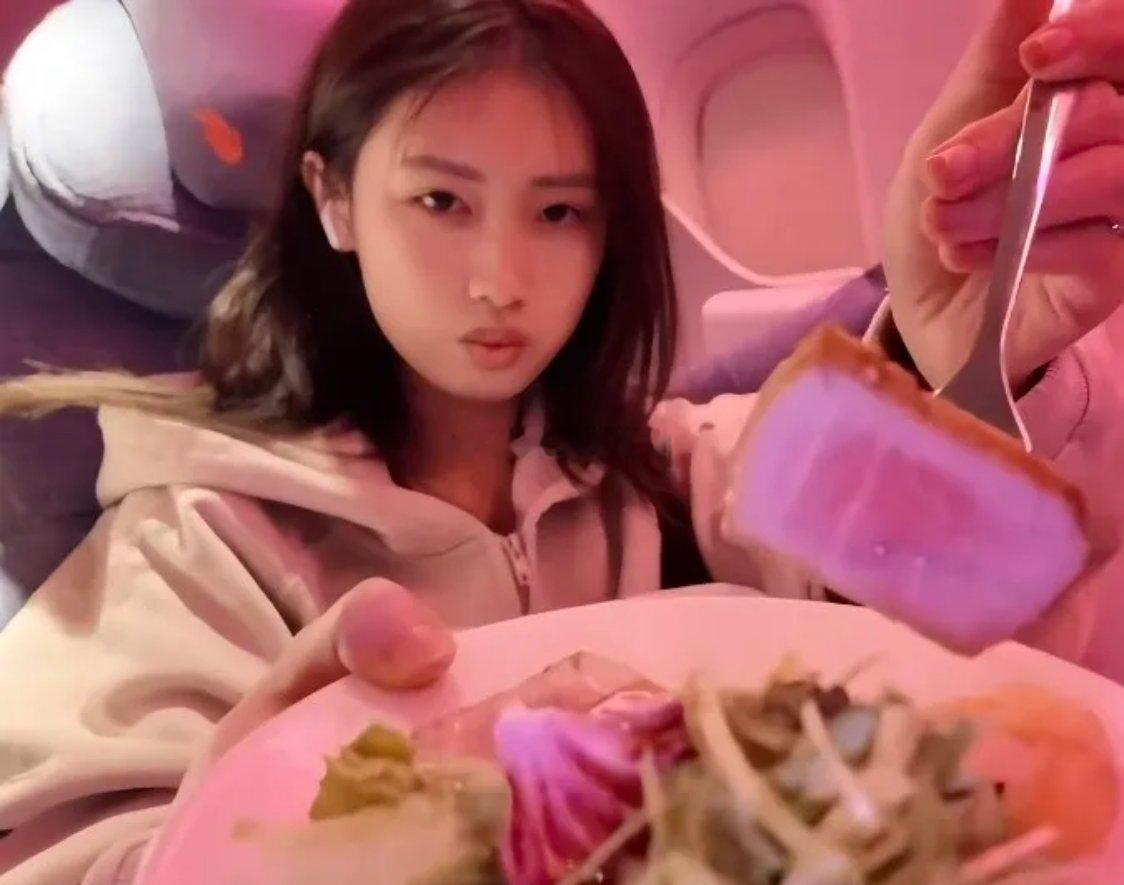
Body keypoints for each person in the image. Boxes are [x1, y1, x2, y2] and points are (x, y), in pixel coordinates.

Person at [0, 0, 1122, 881]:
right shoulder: (194, 543)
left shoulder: (668, 477)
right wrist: (257, 829)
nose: (500, 280)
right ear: (333, 199)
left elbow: (966, 633)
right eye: (441, 202)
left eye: (557, 213)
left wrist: (956, 358)